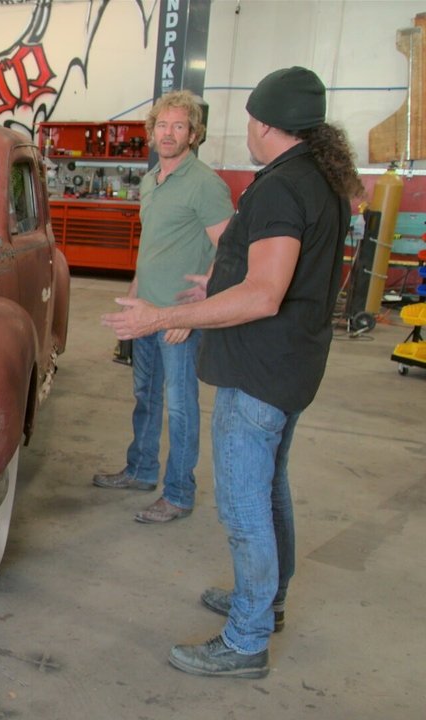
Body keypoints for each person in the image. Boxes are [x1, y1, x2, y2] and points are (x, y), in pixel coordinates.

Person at [102, 67, 362, 678]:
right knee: (270, 490)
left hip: (259, 370)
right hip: (293, 363)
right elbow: (276, 275)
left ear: (264, 124)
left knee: (245, 507)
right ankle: (266, 603)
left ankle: (246, 641)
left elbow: (265, 294)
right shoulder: (320, 178)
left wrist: (164, 315)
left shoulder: (279, 188)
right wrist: (216, 284)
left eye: (249, 119)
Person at [92, 90, 232, 524]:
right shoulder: (152, 180)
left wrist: (196, 309)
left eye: (179, 126)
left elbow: (230, 251)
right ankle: (141, 470)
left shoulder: (205, 184)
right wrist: (134, 295)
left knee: (181, 408)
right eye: (163, 125)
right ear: (152, 132)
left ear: (193, 134)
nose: (169, 133)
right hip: (145, 312)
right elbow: (153, 247)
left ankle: (178, 494)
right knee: (146, 396)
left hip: (177, 318)